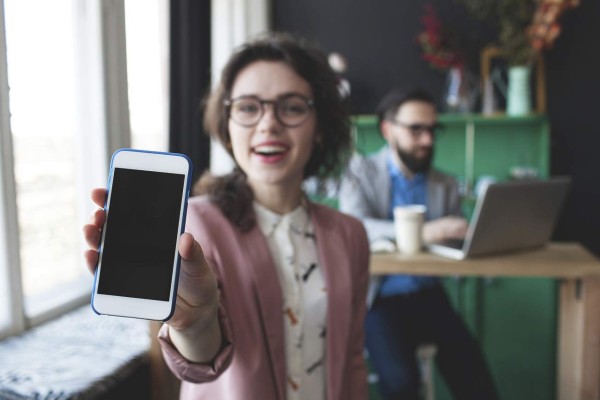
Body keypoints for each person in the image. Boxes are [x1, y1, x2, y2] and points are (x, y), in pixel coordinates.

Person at [82, 33, 369, 400]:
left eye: (293, 107)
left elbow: (353, 359)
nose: (268, 124)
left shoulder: (350, 234)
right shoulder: (195, 224)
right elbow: (199, 361)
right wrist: (194, 322)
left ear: (320, 129)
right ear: (228, 130)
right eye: (249, 107)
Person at [339, 88, 498, 400]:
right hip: (379, 299)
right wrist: (423, 232)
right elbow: (354, 228)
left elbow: (452, 244)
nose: (427, 140)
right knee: (401, 384)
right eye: (416, 129)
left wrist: (466, 234)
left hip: (430, 296)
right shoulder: (360, 171)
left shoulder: (445, 184)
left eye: (432, 130)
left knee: (475, 378)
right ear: (388, 129)